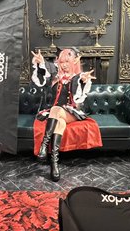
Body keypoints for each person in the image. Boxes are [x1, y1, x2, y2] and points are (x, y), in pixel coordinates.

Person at [31, 47, 101, 181]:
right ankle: (54, 163)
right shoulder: (55, 77)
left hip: (72, 113)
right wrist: (40, 63)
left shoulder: (76, 78)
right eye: (61, 62)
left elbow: (79, 96)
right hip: (58, 115)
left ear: (74, 62)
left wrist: (84, 81)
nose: (64, 65)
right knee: (60, 121)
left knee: (56, 110)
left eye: (67, 62)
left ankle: (44, 146)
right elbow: (42, 78)